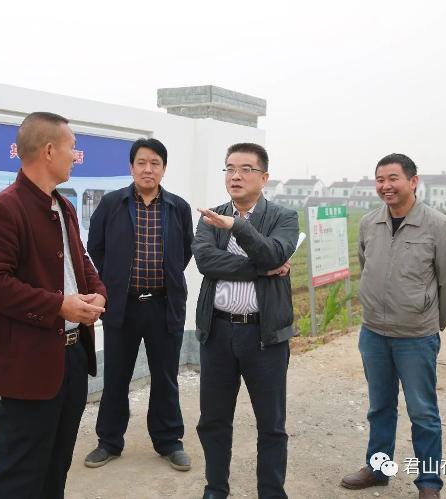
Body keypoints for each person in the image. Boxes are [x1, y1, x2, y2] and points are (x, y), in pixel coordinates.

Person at [0, 111, 107, 499]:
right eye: (72, 147)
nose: (76, 156)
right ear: (48, 151)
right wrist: (58, 306)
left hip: (72, 358)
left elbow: (80, 261)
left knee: (55, 466)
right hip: (28, 364)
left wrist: (99, 292)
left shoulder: (63, 206)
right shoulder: (3, 209)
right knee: (21, 474)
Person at [341, 153, 446, 499]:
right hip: (373, 333)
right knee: (379, 407)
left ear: (413, 181)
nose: (386, 186)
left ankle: (429, 483)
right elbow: (366, 264)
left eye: (393, 178)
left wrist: (432, 319)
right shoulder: (369, 223)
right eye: (380, 180)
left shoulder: (437, 225)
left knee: (423, 412)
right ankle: (378, 469)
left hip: (416, 337)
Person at [192, 142, 298, 499]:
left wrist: (238, 226)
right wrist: (263, 269)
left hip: (264, 336)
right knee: (213, 420)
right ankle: (215, 488)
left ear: (264, 177)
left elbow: (274, 251)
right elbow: (207, 262)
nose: (235, 176)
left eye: (245, 169)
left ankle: (271, 492)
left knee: (271, 424)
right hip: (218, 332)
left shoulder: (283, 217)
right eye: (229, 169)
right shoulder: (211, 216)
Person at [84, 138, 194, 471]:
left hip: (164, 305)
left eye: (155, 163)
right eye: (142, 162)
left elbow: (185, 251)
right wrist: (115, 280)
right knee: (116, 376)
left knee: (165, 377)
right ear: (131, 167)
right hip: (123, 305)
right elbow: (95, 247)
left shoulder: (178, 207)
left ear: (164, 169)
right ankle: (109, 442)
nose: (148, 169)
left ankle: (169, 441)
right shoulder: (112, 204)